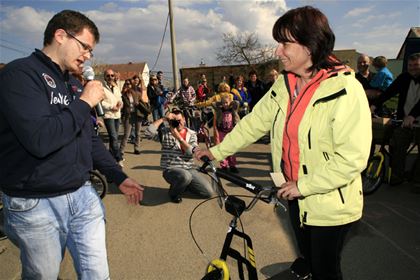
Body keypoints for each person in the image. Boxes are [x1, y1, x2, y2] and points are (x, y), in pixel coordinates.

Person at [195, 6, 371, 280]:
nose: (278, 51)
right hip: (293, 195)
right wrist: (216, 152)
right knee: (308, 262)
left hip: (329, 203)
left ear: (310, 45)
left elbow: (353, 158)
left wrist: (303, 186)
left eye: (285, 43)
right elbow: (254, 123)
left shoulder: (346, 90)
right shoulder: (285, 84)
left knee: (325, 270)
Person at [0, 10, 144, 279]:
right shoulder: (20, 74)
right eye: (85, 47)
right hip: (36, 201)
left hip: (83, 196)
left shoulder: (71, 84)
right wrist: (85, 102)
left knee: (97, 275)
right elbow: (41, 140)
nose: (88, 55)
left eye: (91, 50)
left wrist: (117, 176)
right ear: (60, 36)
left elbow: (87, 138)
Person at [370, 53, 420, 187]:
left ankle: (417, 180)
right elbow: (389, 92)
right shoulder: (404, 78)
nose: (413, 68)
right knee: (397, 145)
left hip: (416, 120)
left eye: (416, 65)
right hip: (404, 121)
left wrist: (413, 115)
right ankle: (397, 176)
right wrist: (374, 105)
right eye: (410, 65)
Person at [145, 108, 215, 203]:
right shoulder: (165, 132)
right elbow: (148, 133)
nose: (178, 123)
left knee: (208, 192)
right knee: (185, 176)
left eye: (180, 120)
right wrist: (163, 119)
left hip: (189, 169)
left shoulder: (192, 134)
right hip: (171, 169)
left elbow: (191, 152)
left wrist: (178, 137)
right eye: (175, 121)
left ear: (184, 120)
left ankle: (183, 186)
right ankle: (173, 193)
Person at [120, 78, 150, 156]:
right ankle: (121, 150)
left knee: (138, 133)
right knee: (126, 134)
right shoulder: (122, 94)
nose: (128, 85)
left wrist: (140, 104)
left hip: (137, 114)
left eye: (129, 84)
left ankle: (136, 148)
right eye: (126, 84)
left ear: (132, 85)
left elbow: (142, 101)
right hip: (128, 115)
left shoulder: (137, 92)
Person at [212, 93, 240, 173]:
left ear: (230, 102)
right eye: (223, 103)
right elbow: (213, 104)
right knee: (223, 149)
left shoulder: (233, 109)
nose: (225, 104)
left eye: (226, 102)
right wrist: (220, 102)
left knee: (232, 149)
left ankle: (232, 165)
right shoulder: (219, 110)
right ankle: (224, 165)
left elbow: (237, 103)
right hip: (222, 132)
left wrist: (230, 101)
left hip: (231, 132)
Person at [102, 68, 124, 166]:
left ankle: (110, 158)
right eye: (108, 75)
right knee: (114, 137)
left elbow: (120, 98)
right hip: (109, 115)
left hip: (117, 115)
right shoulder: (102, 87)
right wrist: (112, 107)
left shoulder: (116, 87)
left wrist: (120, 104)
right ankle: (119, 158)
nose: (110, 77)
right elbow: (101, 102)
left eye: (112, 75)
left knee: (113, 139)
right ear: (104, 77)